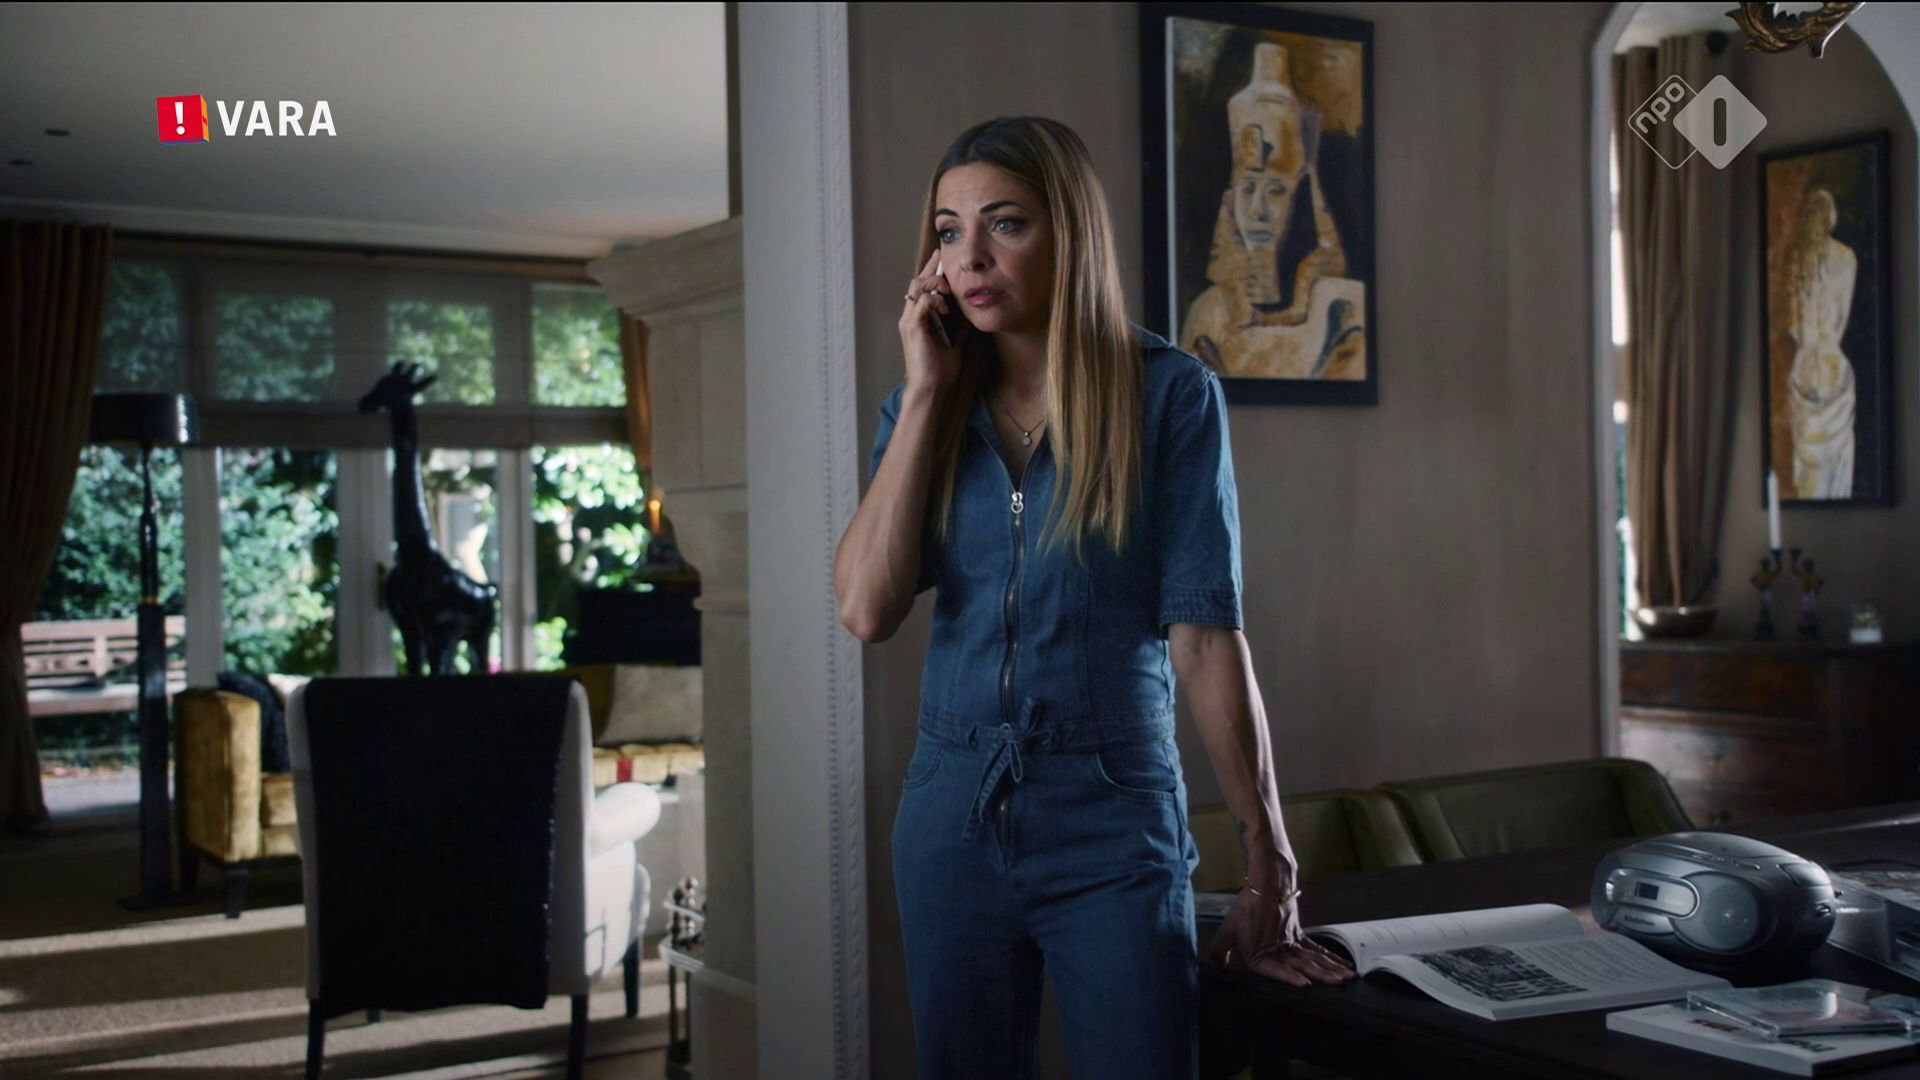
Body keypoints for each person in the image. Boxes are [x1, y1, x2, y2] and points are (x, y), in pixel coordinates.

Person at [832, 115, 1352, 1080]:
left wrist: (1269, 854)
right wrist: (926, 394)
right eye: (948, 231)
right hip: (950, 814)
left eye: (1005, 224)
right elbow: (867, 609)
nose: (970, 257)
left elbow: (1205, 637)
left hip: (1112, 816)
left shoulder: (1169, 395)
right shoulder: (920, 410)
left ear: (1067, 232)